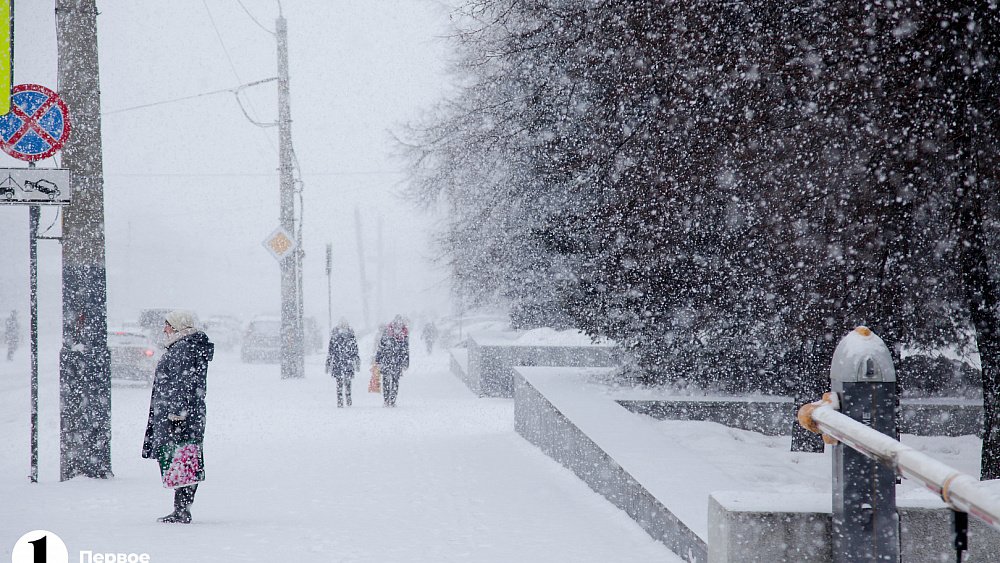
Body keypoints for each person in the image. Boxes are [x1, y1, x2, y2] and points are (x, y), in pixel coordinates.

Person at [141, 310, 214, 524]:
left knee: (182, 459)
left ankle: (182, 510)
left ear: (178, 327)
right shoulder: (186, 346)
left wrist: (177, 414)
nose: (165, 329)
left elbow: (183, 384)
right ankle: (182, 508)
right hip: (188, 415)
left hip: (181, 417)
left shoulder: (183, 348)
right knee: (185, 459)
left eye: (168, 325)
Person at [375, 315, 410, 407]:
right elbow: (381, 347)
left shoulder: (404, 334)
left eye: (399, 323)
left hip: (397, 361)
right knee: (386, 380)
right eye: (396, 323)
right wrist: (378, 359)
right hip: (386, 360)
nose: (398, 325)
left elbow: (406, 349)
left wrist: (406, 362)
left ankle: (393, 400)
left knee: (395, 381)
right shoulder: (387, 332)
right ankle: (386, 400)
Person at [326, 319, 360, 407]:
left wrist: (357, 361)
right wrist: (328, 363)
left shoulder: (345, 336)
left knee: (343, 382)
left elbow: (355, 350)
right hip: (343, 362)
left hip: (342, 362)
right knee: (341, 382)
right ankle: (343, 399)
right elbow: (331, 351)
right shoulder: (345, 336)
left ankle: (344, 399)